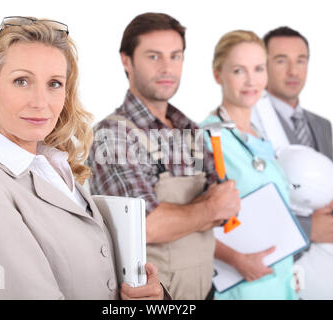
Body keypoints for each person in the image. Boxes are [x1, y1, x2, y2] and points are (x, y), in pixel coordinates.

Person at [0, 16, 165, 300]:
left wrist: (149, 298)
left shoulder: (54, 167)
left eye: (54, 84)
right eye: (22, 81)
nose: (40, 102)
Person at [87, 12, 240, 300]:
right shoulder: (113, 135)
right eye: (154, 56)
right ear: (126, 61)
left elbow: (227, 208)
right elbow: (145, 227)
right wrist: (207, 209)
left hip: (207, 292)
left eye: (175, 56)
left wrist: (183, 215)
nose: (167, 68)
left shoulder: (189, 129)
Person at [200, 30, 299, 299]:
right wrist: (236, 260)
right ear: (218, 74)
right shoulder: (206, 138)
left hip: (282, 281)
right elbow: (194, 223)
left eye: (258, 69)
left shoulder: (261, 136)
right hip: (241, 286)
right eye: (238, 71)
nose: (251, 80)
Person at [251, 26, 333, 259]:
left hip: (332, 257)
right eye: (281, 61)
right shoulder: (251, 124)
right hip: (286, 262)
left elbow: (317, 188)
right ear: (262, 65)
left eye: (301, 61)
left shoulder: (322, 125)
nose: (293, 71)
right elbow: (252, 210)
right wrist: (308, 230)